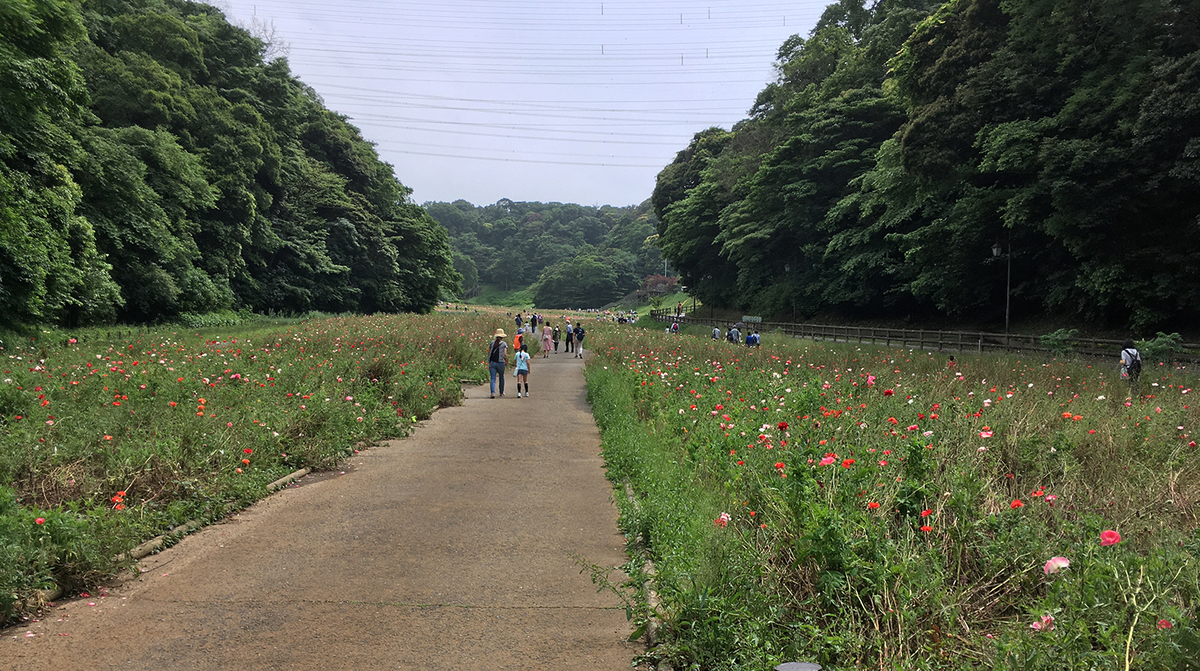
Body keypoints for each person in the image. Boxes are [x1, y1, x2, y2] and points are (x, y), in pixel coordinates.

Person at [487, 329, 508, 398]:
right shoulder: (504, 344)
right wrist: (506, 360)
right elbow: (505, 354)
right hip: (501, 363)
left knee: (493, 378)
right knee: (501, 377)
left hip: (492, 362)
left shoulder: (492, 343)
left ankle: (493, 393)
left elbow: (489, 352)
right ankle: (501, 392)